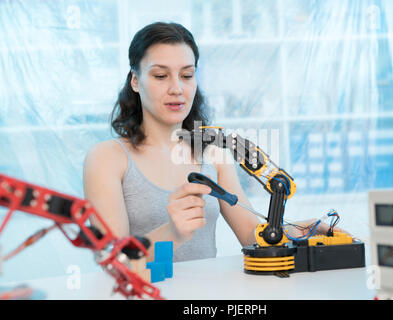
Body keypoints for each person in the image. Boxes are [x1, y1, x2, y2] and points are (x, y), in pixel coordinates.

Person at [83, 22, 338, 276]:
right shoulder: (107, 158)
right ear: (135, 81)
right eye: (160, 76)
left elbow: (252, 235)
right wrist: (172, 233)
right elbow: (112, 262)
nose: (176, 89)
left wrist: (302, 231)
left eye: (186, 75)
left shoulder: (213, 154)